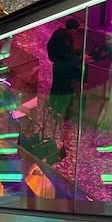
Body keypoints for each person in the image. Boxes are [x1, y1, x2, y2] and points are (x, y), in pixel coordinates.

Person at [44, 18, 83, 149]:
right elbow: (67, 55)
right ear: (72, 29)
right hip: (63, 68)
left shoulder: (59, 34)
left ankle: (53, 107)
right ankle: (59, 110)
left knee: (56, 87)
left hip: (58, 67)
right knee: (63, 88)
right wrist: (78, 58)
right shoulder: (65, 38)